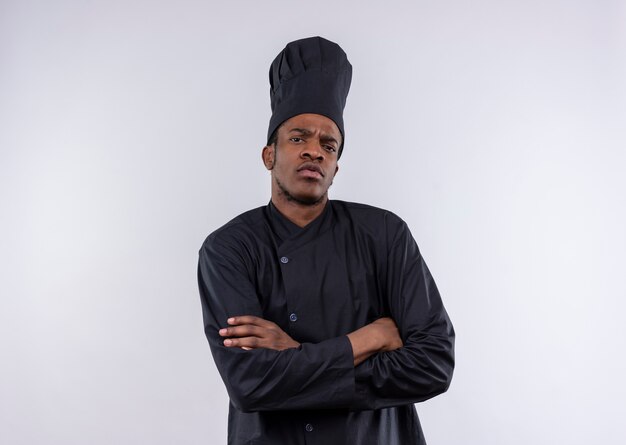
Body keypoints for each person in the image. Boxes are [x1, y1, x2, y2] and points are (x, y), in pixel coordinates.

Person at [197, 36, 455, 445]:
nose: (314, 151)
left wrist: (294, 356)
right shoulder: (228, 249)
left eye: (328, 144)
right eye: (298, 138)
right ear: (269, 155)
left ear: (336, 166)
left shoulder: (385, 234)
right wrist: (366, 340)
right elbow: (249, 384)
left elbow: (434, 364)